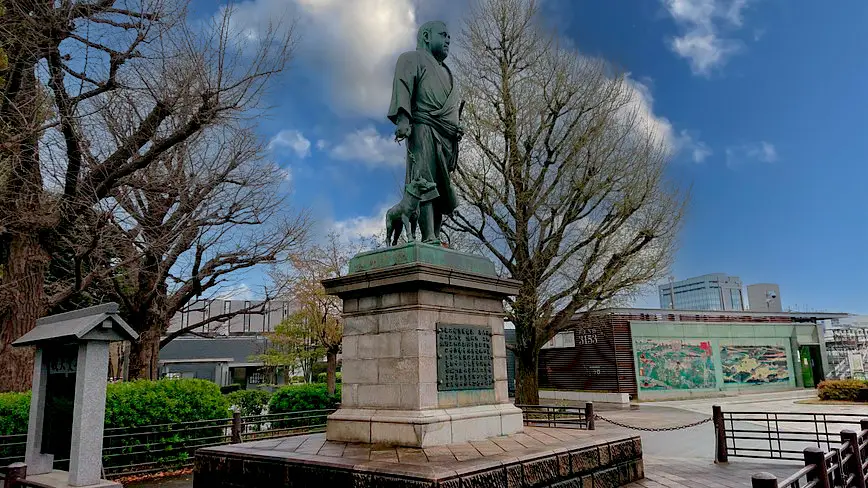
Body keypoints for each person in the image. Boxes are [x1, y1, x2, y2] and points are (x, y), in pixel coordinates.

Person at [387, 20, 463, 245]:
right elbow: (403, 86)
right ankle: (428, 234)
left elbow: (450, 107)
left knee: (441, 185)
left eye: (450, 36)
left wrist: (455, 127)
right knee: (424, 179)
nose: (448, 39)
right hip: (422, 126)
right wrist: (403, 118)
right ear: (427, 36)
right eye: (443, 34)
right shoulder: (411, 59)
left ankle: (437, 234)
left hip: (446, 135)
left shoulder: (447, 72)